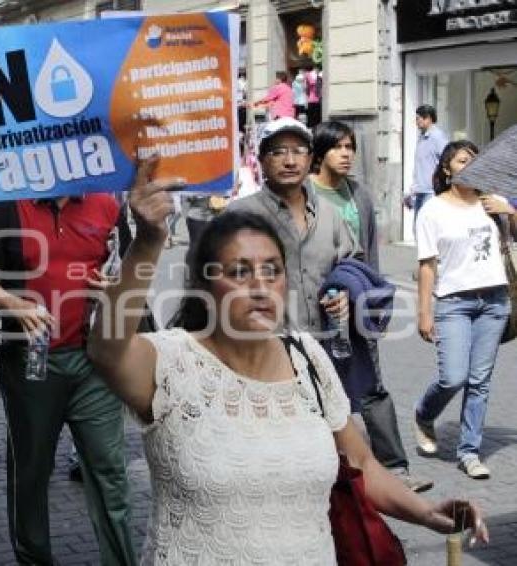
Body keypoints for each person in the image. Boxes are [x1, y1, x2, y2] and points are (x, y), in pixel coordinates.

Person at [86, 168, 490, 563]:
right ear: (206, 286)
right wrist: (148, 242)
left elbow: (361, 463)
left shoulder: (308, 357)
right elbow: (107, 352)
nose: (260, 287)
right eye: (239, 272)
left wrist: (426, 512)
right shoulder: (172, 361)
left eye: (272, 270)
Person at [0, 194, 137, 565]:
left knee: (109, 470)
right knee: (30, 469)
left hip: (95, 362)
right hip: (31, 362)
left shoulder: (107, 205)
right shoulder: (8, 207)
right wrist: (12, 304)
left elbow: (128, 276)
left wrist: (115, 289)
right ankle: (34, 558)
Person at [307, 121, 433, 492]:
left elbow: (371, 252)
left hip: (358, 301)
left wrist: (375, 298)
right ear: (320, 152)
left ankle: (396, 467)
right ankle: (331, 470)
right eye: (337, 147)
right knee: (323, 385)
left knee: (374, 384)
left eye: (350, 147)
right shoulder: (307, 194)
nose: (346, 154)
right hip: (322, 307)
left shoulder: (358, 194)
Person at [414, 139, 510, 479]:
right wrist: (424, 311)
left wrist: (510, 212)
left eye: (475, 160)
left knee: (479, 381)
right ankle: (424, 414)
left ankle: (469, 451)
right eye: (461, 160)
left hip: (495, 301)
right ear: (446, 168)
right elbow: (427, 265)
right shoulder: (432, 210)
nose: (469, 166)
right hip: (454, 303)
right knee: (453, 376)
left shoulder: (492, 204)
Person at [227, 117, 355, 334]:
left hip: (324, 350)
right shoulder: (238, 215)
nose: (290, 161)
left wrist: (346, 293)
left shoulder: (330, 214)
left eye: (299, 151)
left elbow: (351, 264)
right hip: (263, 350)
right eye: (278, 152)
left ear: (310, 158)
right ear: (261, 160)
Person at [404, 104, 449, 228]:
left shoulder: (437, 136)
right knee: (418, 228)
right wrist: (412, 191)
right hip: (420, 191)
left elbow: (447, 158)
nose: (416, 122)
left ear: (428, 118)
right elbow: (420, 167)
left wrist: (442, 184)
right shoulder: (422, 138)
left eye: (418, 118)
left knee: (428, 228)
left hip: (431, 192)